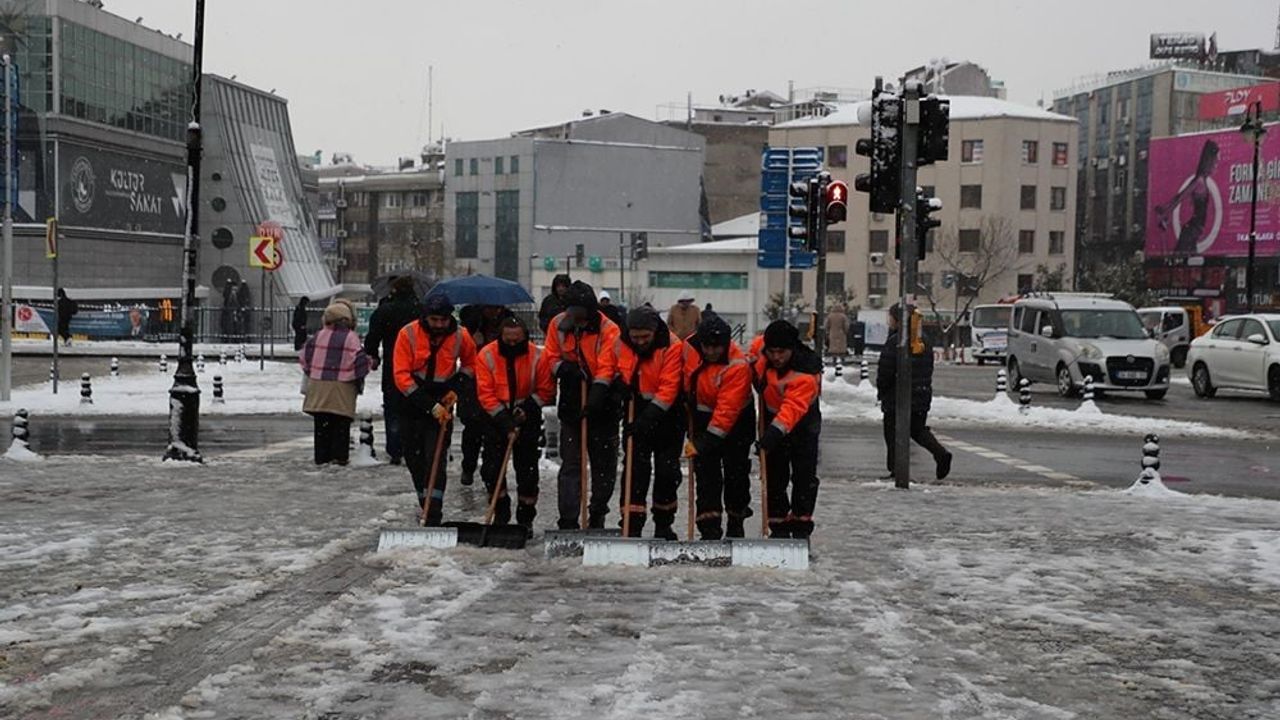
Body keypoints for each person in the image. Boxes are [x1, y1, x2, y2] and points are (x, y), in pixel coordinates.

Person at [392, 293, 478, 524]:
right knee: (415, 459)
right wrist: (429, 406)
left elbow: (471, 363)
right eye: (434, 320)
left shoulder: (461, 335)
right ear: (426, 317)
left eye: (443, 320)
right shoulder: (408, 334)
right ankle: (424, 501)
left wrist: (457, 387)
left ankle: (433, 513)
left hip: (443, 398)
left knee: (436, 458)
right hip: (412, 400)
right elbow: (401, 375)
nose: (439, 325)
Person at [543, 280, 621, 530]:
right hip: (571, 398)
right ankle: (568, 519)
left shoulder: (609, 330)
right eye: (572, 313)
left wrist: (595, 398)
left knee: (603, 465)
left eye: (581, 315)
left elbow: (608, 367)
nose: (577, 319)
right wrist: (563, 369)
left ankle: (597, 512)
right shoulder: (558, 325)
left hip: (603, 400)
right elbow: (550, 356)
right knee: (571, 464)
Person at [475, 315, 555, 536]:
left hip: (527, 416)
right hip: (495, 416)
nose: (512, 344)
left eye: (516, 340)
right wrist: (504, 420)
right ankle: (501, 512)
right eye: (507, 340)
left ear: (524, 337)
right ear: (500, 336)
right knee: (492, 469)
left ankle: (525, 518)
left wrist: (527, 408)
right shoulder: (487, 355)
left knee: (527, 472)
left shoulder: (538, 356)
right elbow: (485, 393)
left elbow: (546, 389)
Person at [615, 305, 685, 539]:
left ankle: (663, 523)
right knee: (635, 470)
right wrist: (619, 384)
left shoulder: (672, 346)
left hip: (667, 414)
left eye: (645, 337)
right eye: (635, 337)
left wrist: (645, 421)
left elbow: (669, 389)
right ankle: (631, 524)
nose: (640, 342)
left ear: (655, 331)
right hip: (635, 408)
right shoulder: (621, 342)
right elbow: (614, 366)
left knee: (667, 471)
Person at [683, 313, 754, 539]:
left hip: (737, 422)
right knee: (706, 477)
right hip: (702, 418)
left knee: (736, 473)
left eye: (717, 347)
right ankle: (709, 528)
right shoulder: (689, 351)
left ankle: (736, 521)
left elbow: (726, 411)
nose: (711, 352)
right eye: (707, 346)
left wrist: (702, 443)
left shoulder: (737, 366)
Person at [753, 320, 823, 539]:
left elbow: (792, 409)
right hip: (773, 419)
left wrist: (770, 436)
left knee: (804, 477)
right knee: (774, 476)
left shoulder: (805, 373)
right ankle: (779, 526)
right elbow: (752, 355)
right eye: (771, 352)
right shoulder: (761, 352)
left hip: (803, 424)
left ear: (792, 349)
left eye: (781, 352)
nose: (776, 357)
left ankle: (801, 526)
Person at [877, 305, 952, 481]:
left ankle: (897, 470)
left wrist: (882, 391)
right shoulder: (922, 340)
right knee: (918, 430)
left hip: (897, 397)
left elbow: (886, 371)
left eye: (891, 318)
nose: (889, 321)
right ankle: (940, 453)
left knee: (892, 432)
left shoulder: (897, 341)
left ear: (898, 320)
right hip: (921, 394)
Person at [300, 301, 371, 466]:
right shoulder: (350, 338)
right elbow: (359, 363)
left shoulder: (318, 336)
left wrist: (316, 371)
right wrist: (369, 363)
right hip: (342, 389)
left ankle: (321, 458)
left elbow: (304, 358)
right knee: (340, 427)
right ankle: (339, 458)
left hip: (318, 387)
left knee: (321, 426)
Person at [363, 277, 420, 465]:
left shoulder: (385, 310)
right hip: (418, 365)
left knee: (393, 407)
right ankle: (414, 445)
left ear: (394, 289)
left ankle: (395, 448)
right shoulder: (421, 310)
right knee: (416, 406)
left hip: (393, 364)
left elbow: (372, 338)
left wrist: (374, 356)